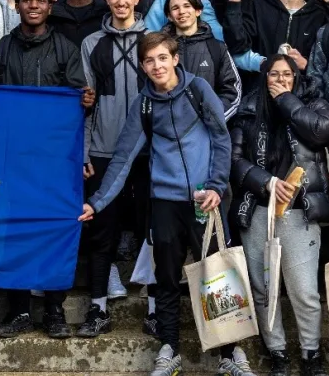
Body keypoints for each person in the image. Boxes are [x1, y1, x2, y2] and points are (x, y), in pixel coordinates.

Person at [81, 32, 256, 376]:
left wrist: (218, 186)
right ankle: (169, 347)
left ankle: (229, 352)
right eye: (149, 60)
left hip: (206, 199)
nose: (157, 65)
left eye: (163, 58)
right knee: (165, 278)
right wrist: (97, 203)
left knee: (218, 276)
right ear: (143, 66)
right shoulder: (143, 104)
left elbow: (221, 139)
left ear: (175, 59)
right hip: (164, 201)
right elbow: (123, 158)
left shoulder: (198, 90)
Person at [0, 0, 94, 339]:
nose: (33, 6)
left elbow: (79, 97)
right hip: (13, 157)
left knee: (55, 228)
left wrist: (85, 99)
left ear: (50, 5)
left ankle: (54, 310)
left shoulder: (67, 48)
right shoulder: (2, 48)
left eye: (40, 0)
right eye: (26, 0)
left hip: (54, 158)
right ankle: (18, 309)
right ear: (16, 6)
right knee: (14, 230)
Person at [230, 54, 329, 376]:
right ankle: (277, 353)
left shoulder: (314, 108)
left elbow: (320, 132)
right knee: (263, 289)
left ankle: (311, 354)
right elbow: (233, 162)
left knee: (304, 290)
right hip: (258, 210)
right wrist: (267, 182)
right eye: (273, 75)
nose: (279, 80)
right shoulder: (247, 113)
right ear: (263, 78)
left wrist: (286, 100)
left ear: (296, 78)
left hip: (299, 213)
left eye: (287, 75)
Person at [78, 0, 150, 338]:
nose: (121, 2)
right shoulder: (91, 44)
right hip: (105, 150)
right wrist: (86, 151)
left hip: (147, 151)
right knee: (101, 230)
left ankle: (154, 307)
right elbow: (86, 104)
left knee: (149, 229)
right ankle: (98, 307)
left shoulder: (154, 41)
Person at [224, 0, 329, 95]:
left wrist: (306, 64)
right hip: (259, 91)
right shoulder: (258, 5)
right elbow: (237, 46)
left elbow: (327, 60)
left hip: (303, 94)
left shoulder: (319, 14)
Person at [163, 0, 241, 117]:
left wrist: (213, 121)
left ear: (198, 11)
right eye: (175, 8)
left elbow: (232, 92)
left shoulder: (217, 48)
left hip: (208, 131)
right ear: (169, 16)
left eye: (187, 6)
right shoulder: (161, 49)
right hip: (169, 130)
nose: (182, 12)